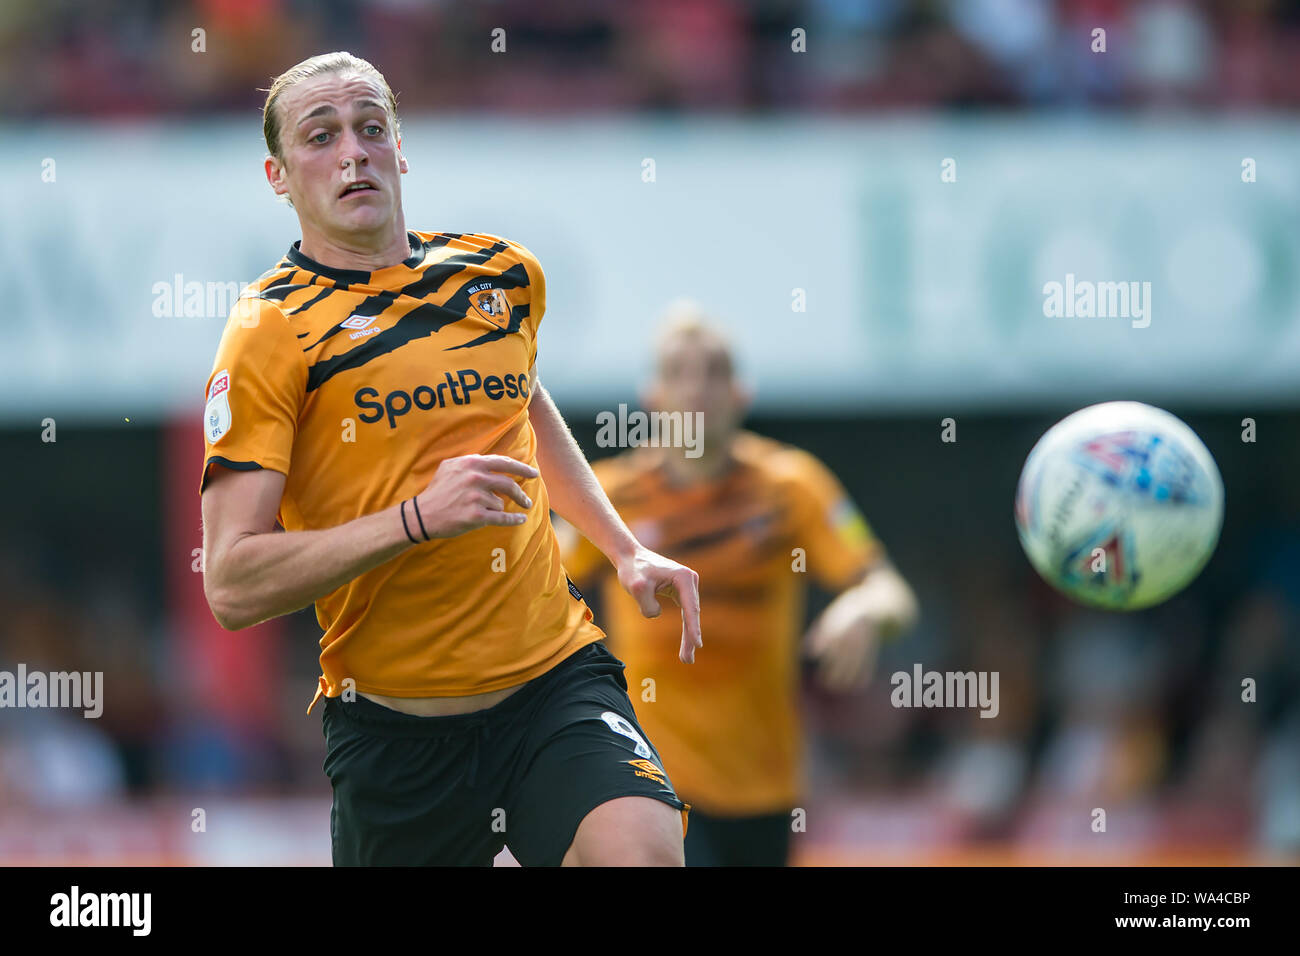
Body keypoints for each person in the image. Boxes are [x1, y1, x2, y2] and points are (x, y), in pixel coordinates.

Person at [198, 52, 702, 867]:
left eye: (371, 129)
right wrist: (416, 520)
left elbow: (521, 405)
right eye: (321, 137)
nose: (353, 153)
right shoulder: (270, 330)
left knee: (642, 853)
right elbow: (231, 582)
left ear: (400, 147)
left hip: (553, 688)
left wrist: (622, 545)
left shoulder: (501, 274)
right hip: (395, 736)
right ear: (279, 176)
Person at [560, 303, 918, 866]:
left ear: (741, 395)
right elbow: (541, 596)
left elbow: (891, 591)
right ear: (653, 397)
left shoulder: (791, 486)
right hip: (647, 776)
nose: (697, 389)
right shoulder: (609, 498)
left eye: (715, 372)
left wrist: (864, 609)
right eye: (680, 372)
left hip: (765, 787)